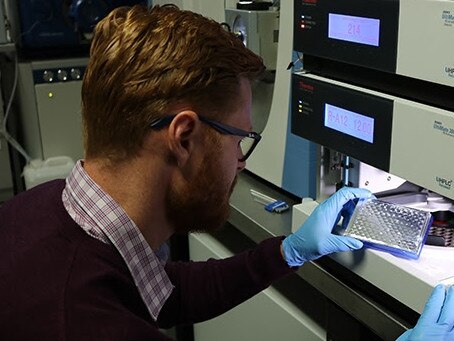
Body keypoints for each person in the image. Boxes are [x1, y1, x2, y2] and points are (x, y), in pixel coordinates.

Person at [0, 4, 451, 340]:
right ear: (184, 138)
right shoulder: (82, 324)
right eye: (239, 139)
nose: (242, 161)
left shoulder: (47, 210)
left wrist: (288, 251)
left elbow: (165, 291)